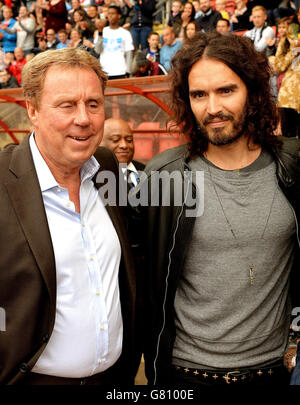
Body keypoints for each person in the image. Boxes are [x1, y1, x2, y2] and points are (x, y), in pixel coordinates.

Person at [138, 31, 300, 386]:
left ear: (254, 92)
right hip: (185, 373)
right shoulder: (165, 175)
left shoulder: (293, 164)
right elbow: (142, 278)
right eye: (199, 94)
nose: (212, 108)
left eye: (226, 90)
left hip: (275, 372)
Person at [0, 47, 137, 385]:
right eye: (66, 105)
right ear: (32, 109)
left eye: (93, 104)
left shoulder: (105, 166)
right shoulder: (3, 179)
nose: (84, 118)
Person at [273, 21, 300, 138]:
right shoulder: (285, 42)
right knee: (288, 137)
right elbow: (278, 67)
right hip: (288, 96)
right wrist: (294, 51)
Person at [99, 5, 134, 79]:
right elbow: (97, 50)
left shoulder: (125, 33)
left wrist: (128, 71)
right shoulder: (103, 31)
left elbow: (129, 54)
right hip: (104, 71)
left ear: (119, 16)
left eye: (113, 13)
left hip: (120, 71)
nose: (110, 16)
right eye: (109, 13)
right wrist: (100, 33)